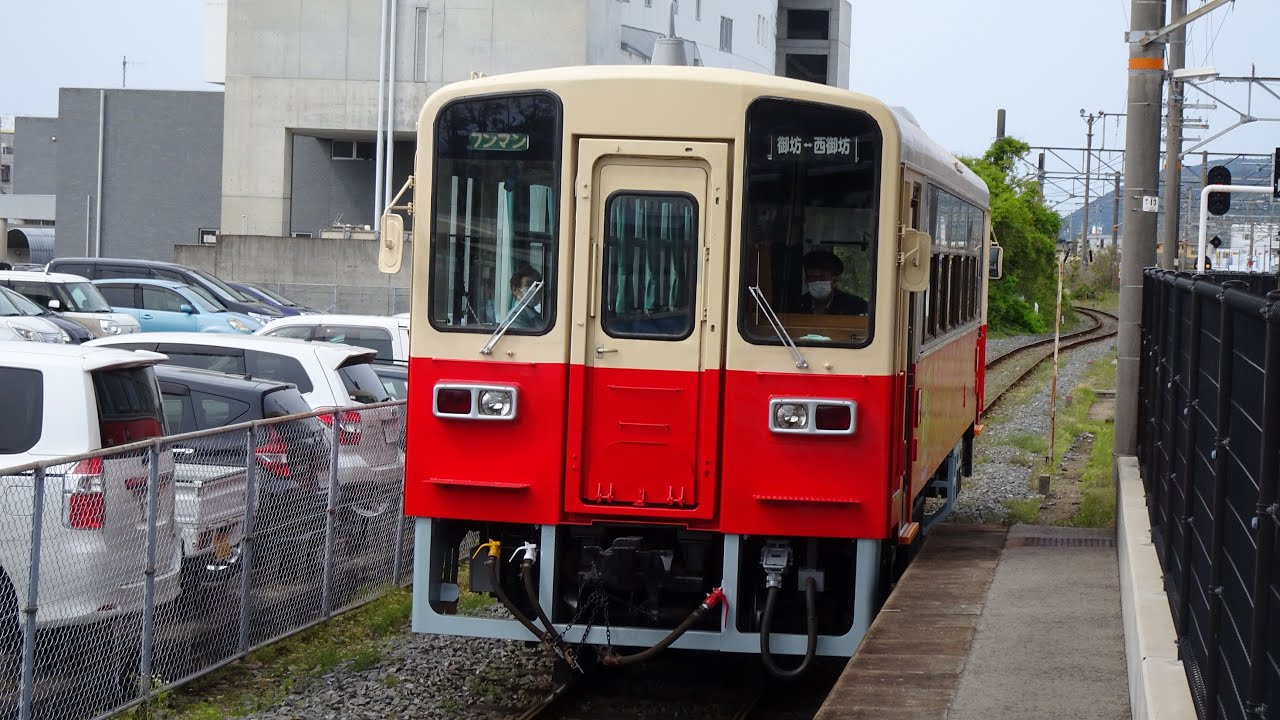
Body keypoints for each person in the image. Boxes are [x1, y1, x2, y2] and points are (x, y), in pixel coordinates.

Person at [797, 250, 868, 315]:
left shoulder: (856, 306)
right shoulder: (795, 305)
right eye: (812, 277)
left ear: (834, 281)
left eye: (822, 277)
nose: (817, 282)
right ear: (806, 280)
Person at [508, 264, 544, 330]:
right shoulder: (516, 315)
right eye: (529, 285)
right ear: (516, 290)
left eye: (537, 286)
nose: (534, 289)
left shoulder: (535, 315)